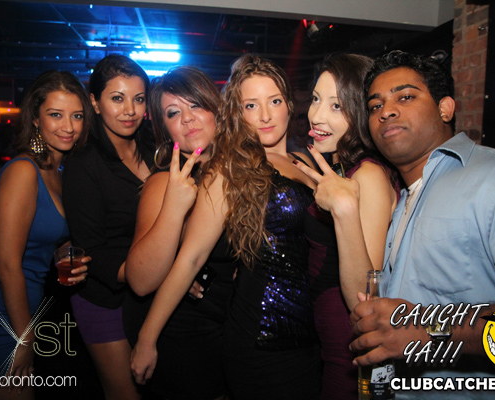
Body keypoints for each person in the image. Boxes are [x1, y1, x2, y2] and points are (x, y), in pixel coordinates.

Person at [344, 50, 495, 398]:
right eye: (375, 105)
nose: (386, 111)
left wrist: (428, 330)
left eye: (405, 97)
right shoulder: (401, 198)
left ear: (445, 108)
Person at [130, 55, 322, 399]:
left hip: (297, 329)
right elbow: (185, 259)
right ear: (237, 112)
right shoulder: (226, 170)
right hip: (240, 332)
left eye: (274, 101)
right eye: (251, 105)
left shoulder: (303, 161)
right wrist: (147, 338)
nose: (265, 115)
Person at [0, 70, 91, 399]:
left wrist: (66, 256)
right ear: (35, 118)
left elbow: (44, 239)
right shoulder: (23, 170)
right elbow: (6, 264)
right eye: (56, 115)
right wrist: (25, 338)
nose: (69, 126)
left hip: (22, 315)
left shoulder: (58, 171)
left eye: (76, 116)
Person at [125, 66, 236, 399]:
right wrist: (174, 208)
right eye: (173, 113)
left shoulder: (236, 173)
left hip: (230, 327)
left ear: (217, 110)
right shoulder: (164, 183)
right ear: (165, 129)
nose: (187, 118)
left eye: (196, 105)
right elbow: (140, 281)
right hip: (184, 332)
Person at [293, 53, 399, 399]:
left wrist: (343, 209)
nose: (317, 115)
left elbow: (365, 298)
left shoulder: (368, 175)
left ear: (361, 112)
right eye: (316, 99)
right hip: (331, 348)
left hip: (351, 354)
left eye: (336, 106)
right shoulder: (341, 170)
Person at [62, 54, 154, 400]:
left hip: (153, 297)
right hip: (106, 300)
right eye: (117, 98)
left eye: (139, 99)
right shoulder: (84, 163)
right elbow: (93, 253)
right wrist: (159, 275)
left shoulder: (155, 147)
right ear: (95, 103)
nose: (130, 110)